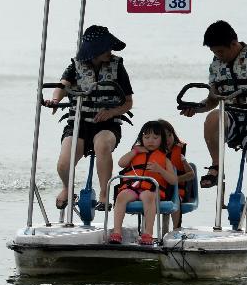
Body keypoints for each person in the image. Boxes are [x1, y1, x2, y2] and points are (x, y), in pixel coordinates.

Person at [178, 20, 247, 231]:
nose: (218, 56)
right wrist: (195, 108)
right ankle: (216, 167)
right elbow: (212, 100)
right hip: (232, 116)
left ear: (234, 43)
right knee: (213, 117)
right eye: (214, 52)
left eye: (220, 51)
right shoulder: (216, 65)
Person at [43, 25, 134, 212]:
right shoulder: (75, 66)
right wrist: (54, 100)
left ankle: (103, 194)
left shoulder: (118, 67)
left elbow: (128, 103)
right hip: (78, 124)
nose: (110, 51)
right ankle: (67, 188)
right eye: (106, 48)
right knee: (63, 163)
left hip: (107, 124)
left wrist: (111, 112)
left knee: (102, 145)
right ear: (96, 50)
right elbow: (62, 86)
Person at [109, 121, 178, 246]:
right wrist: (134, 152)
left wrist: (160, 170)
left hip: (151, 190)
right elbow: (121, 163)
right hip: (132, 188)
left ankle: (148, 233)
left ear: (161, 140)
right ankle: (117, 232)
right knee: (121, 196)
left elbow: (173, 180)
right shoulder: (135, 153)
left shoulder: (165, 159)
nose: (150, 140)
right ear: (141, 138)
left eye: (155, 138)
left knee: (148, 196)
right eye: (146, 137)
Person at [157, 119, 195, 230]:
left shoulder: (179, 155)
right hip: (157, 190)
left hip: (177, 190)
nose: (168, 139)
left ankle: (176, 229)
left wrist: (175, 179)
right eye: (164, 136)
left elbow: (191, 174)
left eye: (170, 135)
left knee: (175, 199)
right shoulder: (151, 153)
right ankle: (146, 233)